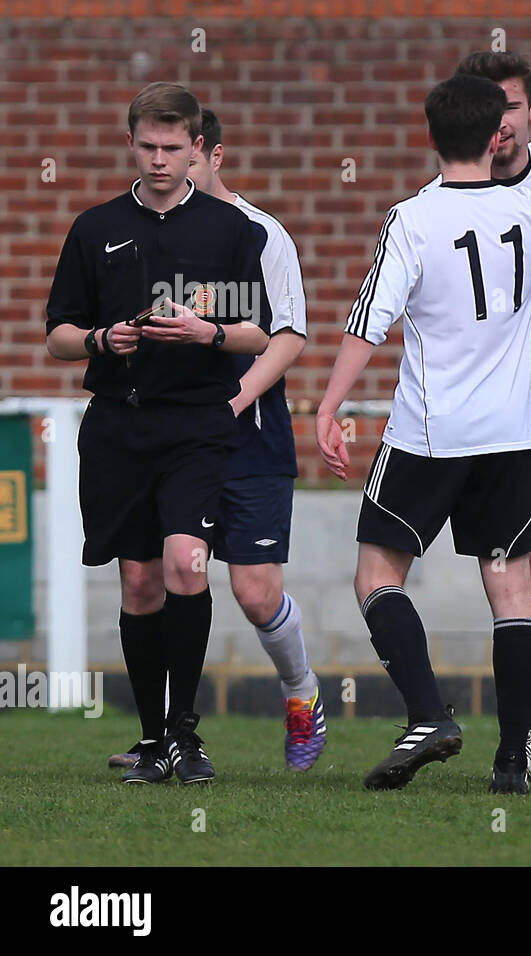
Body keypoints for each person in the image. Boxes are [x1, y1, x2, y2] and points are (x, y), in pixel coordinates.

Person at [315, 74, 531, 795]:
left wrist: (330, 407)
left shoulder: (412, 219)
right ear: (496, 137)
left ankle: (428, 714)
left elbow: (368, 323)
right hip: (507, 435)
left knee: (376, 573)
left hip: (428, 433)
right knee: (510, 587)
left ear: (431, 138)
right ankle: (513, 759)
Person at [45, 82, 271, 784]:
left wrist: (209, 332)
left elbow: (260, 332)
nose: (161, 159)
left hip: (197, 424)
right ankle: (150, 739)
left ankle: (185, 733)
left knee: (185, 564)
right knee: (140, 582)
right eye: (149, 146)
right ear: (132, 143)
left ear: (199, 147)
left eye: (175, 147)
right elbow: (55, 335)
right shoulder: (95, 227)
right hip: (117, 426)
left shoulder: (231, 230)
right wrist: (98, 340)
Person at [418, 51, 531, 783]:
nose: (504, 124)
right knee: (509, 570)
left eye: (516, 108)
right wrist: (525, 344)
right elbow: (450, 318)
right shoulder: (444, 199)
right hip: (486, 403)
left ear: (527, 113)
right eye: (491, 111)